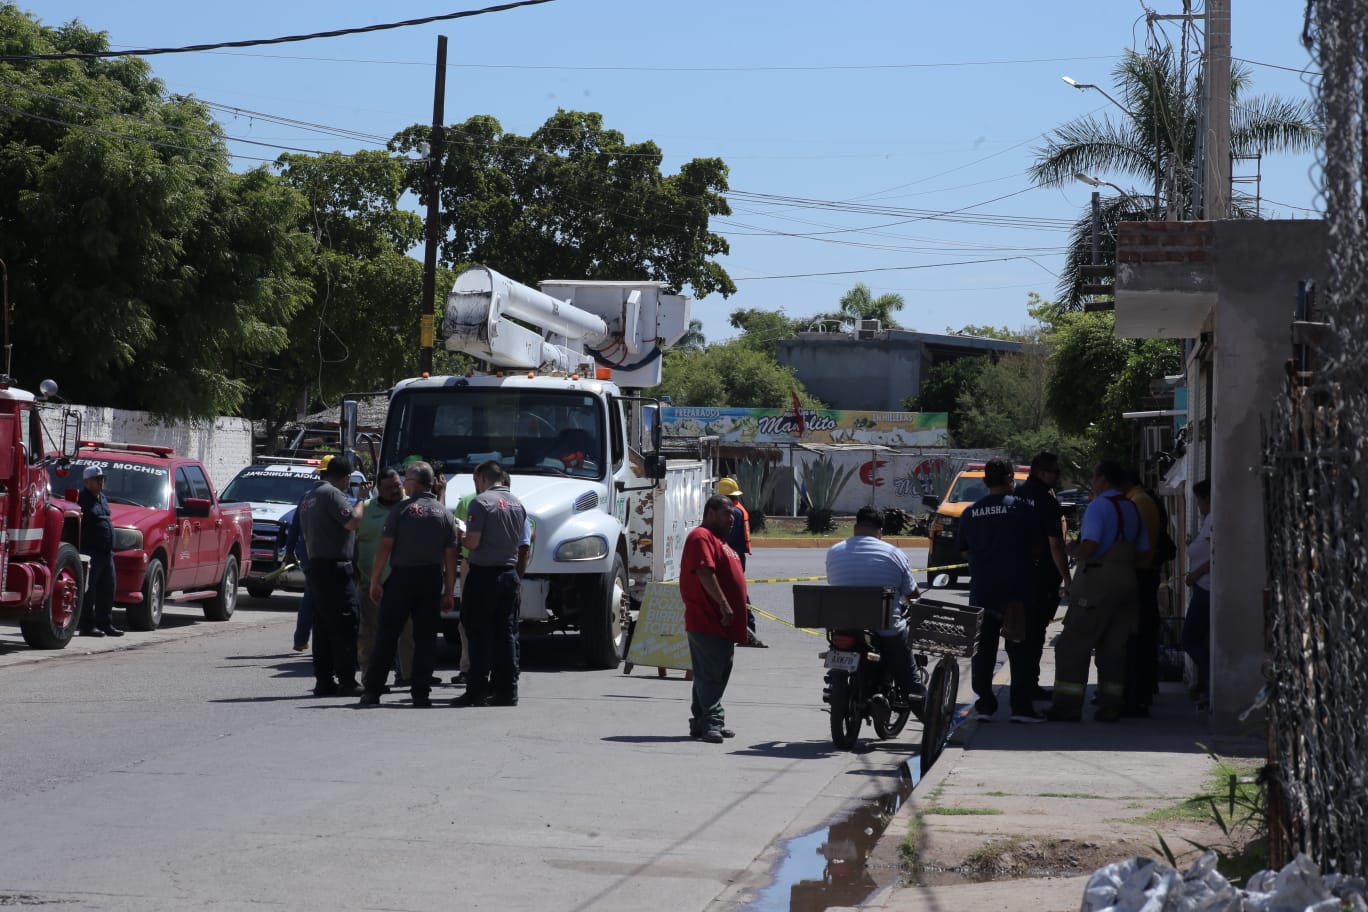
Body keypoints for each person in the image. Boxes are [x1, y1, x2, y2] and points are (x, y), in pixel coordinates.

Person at [1045, 460, 1150, 723]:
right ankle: (1111, 706)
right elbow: (1143, 547)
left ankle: (1067, 707)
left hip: (1096, 581)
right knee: (1114, 648)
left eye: (1093, 477)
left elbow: (1090, 545)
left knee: (1072, 645)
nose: (1092, 482)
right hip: (1128, 580)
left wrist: (1072, 551)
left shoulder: (1099, 506)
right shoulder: (1132, 507)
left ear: (1103, 479)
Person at [359, 462, 460, 708]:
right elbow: (451, 556)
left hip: (401, 579)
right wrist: (448, 590)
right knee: (425, 638)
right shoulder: (444, 513)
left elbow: (385, 547)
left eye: (407, 479)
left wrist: (375, 580)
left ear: (415, 483)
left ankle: (372, 691)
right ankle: (421, 692)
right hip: (430, 580)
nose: (404, 483)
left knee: (387, 636)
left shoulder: (401, 510)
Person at [957, 458, 1040, 723]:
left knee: (983, 651)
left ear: (984, 481)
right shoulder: (1022, 509)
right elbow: (1038, 548)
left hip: (982, 590)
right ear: (1009, 479)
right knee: (1020, 649)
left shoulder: (971, 511)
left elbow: (964, 549)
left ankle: (985, 705)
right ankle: (1021, 708)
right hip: (1016, 590)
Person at [825, 506, 925, 716]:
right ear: (881, 531)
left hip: (844, 626)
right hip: (885, 628)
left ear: (855, 528)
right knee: (909, 677)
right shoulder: (894, 554)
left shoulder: (834, 551)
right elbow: (912, 595)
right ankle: (931, 721)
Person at [454, 461, 529, 707]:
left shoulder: (481, 502)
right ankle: (507, 691)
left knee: (478, 634)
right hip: (508, 573)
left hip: (484, 575)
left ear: (482, 478)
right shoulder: (518, 503)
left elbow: (473, 543)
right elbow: (523, 544)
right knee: (505, 634)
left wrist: (460, 536)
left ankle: (476, 691)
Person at [681, 494, 750, 743]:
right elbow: (704, 572)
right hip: (708, 619)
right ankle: (712, 722)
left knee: (712, 674)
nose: (732, 518)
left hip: (724, 624)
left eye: (732, 514)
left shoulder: (721, 540)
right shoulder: (701, 537)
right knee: (710, 675)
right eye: (726, 513)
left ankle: (700, 722)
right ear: (710, 513)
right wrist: (723, 604)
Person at [300, 455, 365, 697]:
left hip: (317, 567)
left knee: (324, 627)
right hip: (335, 569)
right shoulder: (331, 494)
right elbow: (352, 522)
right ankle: (348, 680)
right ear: (346, 477)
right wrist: (361, 502)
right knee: (346, 624)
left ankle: (324, 680)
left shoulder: (308, 497)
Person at [1013, 452, 1071, 703]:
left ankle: (1020, 685)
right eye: (1055, 472)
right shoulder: (1047, 501)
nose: (1057, 477)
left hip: (1016, 574)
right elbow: (1056, 544)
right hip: (1041, 576)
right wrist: (1067, 579)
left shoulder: (1015, 497)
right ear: (1042, 472)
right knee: (1036, 632)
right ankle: (1029, 686)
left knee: (1017, 632)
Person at [356, 467, 410, 682]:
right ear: (378, 489)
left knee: (408, 633)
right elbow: (351, 540)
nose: (395, 491)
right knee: (370, 633)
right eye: (389, 488)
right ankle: (370, 676)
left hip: (406, 583)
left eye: (398, 485)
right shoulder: (366, 509)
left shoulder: (411, 507)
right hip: (371, 583)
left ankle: (408, 675)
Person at [1122, 467, 1163, 717]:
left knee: (1136, 640)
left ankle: (1137, 695)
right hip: (1146, 574)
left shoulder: (1137, 503)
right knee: (1142, 638)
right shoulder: (1142, 499)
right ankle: (1142, 692)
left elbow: (1136, 545)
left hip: (1140, 575)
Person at [719, 477, 766, 648]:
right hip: (736, 555)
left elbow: (727, 537)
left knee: (738, 595)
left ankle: (748, 630)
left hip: (734, 556)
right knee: (736, 593)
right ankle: (746, 630)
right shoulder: (738, 509)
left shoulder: (734, 512)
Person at [77, 464, 122, 637]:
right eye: (98, 479)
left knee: (108, 588)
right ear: (87, 482)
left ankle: (105, 623)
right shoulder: (82, 500)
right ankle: (87, 626)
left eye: (102, 479)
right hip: (91, 552)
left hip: (106, 553)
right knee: (90, 591)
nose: (101, 482)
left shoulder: (102, 498)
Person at [1181, 480, 1212, 708]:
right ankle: (1208, 685)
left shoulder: (1214, 520)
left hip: (1207, 587)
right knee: (1197, 638)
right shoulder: (1209, 520)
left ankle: (1212, 682)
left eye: (1199, 500)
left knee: (1190, 638)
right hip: (1204, 586)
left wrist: (1196, 574)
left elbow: (1217, 554)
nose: (1199, 505)